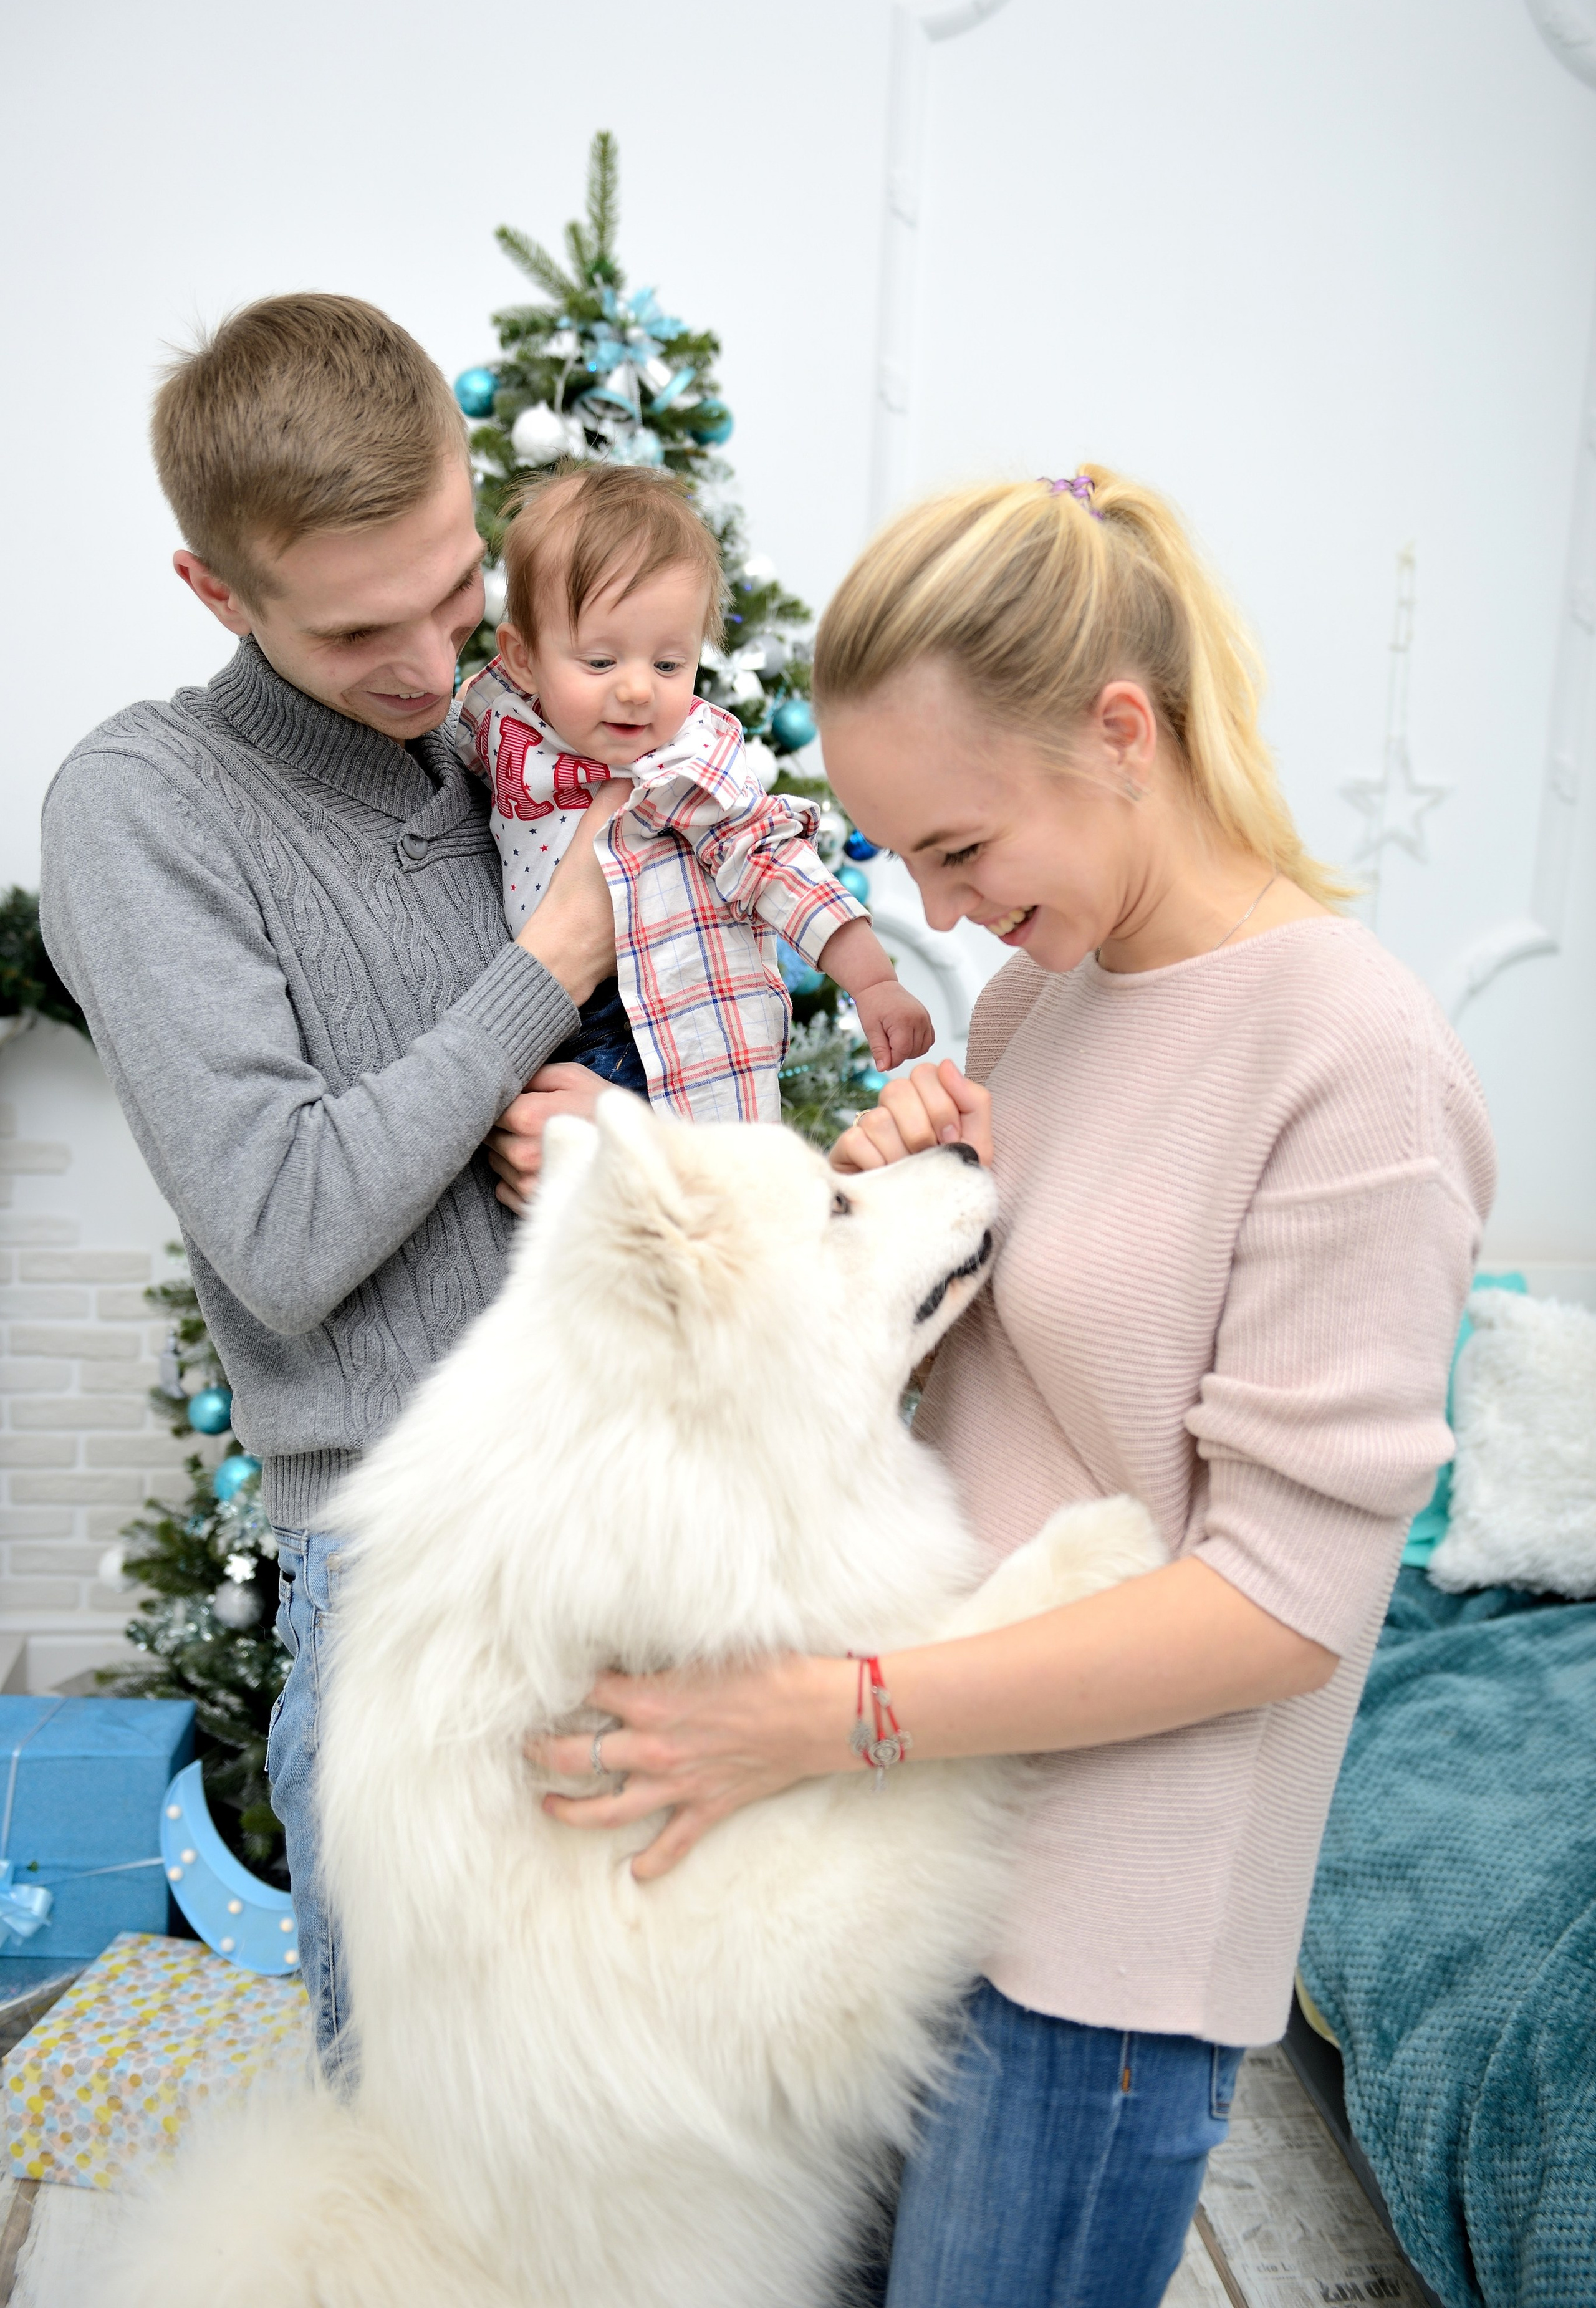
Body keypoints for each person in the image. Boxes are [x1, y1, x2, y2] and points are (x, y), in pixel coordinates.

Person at [518, 469, 1495, 2307]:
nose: (938, 907)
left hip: (1098, 1949)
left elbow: (1283, 1605)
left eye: (960, 849)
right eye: (895, 862)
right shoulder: (1035, 1009)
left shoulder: (1352, 1062)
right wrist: (899, 1212)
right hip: (913, 1851)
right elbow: (993, 1409)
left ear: (1119, 730)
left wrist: (825, 1714)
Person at [38, 293, 622, 2078]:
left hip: (640, 1531)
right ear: (218, 592)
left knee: (685, 2141)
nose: (434, 662)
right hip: (419, 1590)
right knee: (443, 2173)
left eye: (456, 591)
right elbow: (285, 1229)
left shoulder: (512, 748)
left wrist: (593, 1112)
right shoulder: (149, 807)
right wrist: (543, 965)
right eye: (360, 628)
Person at [458, 463, 931, 1118]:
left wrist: (873, 981)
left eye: (668, 664)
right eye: (600, 661)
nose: (636, 689)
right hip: (524, 1003)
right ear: (523, 658)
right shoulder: (495, 721)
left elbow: (775, 864)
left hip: (644, 1026)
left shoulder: (691, 764)